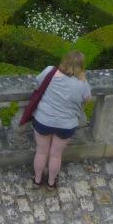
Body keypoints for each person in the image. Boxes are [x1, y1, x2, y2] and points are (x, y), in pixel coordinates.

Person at [30, 50, 90, 190]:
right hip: (66, 125)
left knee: (41, 151)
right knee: (56, 155)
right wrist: (82, 79)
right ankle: (51, 183)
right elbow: (87, 99)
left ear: (65, 60)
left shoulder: (50, 71)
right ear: (81, 66)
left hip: (43, 120)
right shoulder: (82, 84)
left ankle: (37, 180)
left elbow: (37, 84)